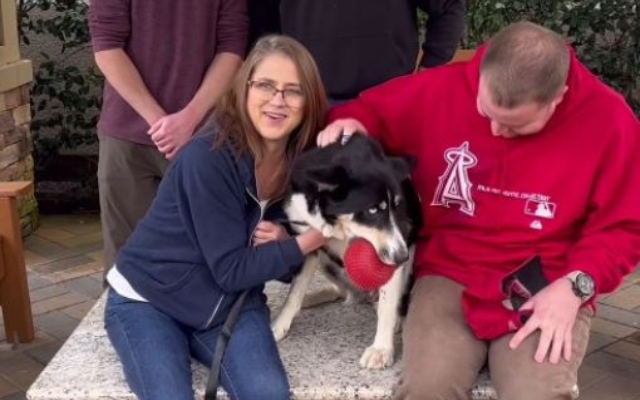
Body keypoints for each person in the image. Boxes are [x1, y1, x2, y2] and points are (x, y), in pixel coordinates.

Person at [318, 21, 640, 399]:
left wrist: (576, 287)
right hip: (451, 271)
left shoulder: (609, 119)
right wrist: (351, 126)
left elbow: (625, 227)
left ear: (558, 98)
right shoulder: (444, 88)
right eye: (486, 113)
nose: (496, 130)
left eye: (515, 126)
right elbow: (366, 112)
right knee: (427, 388)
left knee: (536, 394)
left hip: (550, 279)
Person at [103, 35, 328, 400]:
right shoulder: (208, 157)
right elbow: (232, 269)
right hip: (150, 301)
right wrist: (312, 238)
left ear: (309, 101)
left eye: (293, 90)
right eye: (266, 85)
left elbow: (282, 268)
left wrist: (288, 240)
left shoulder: (300, 162)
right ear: (244, 88)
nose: (277, 100)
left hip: (231, 305)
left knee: (268, 393)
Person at [88, 0, 249, 281]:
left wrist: (189, 118)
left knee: (207, 255)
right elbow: (106, 46)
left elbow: (233, 48)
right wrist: (161, 122)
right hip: (127, 139)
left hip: (203, 139)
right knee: (125, 261)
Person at [248, 0, 466, 102]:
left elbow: (449, 7)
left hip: (388, 101)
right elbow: (263, 29)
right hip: (308, 103)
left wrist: (429, 69)